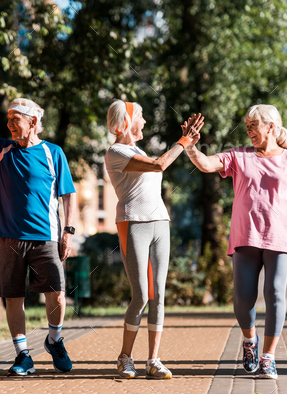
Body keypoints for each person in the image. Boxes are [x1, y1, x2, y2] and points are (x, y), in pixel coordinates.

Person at [183, 105, 287, 379]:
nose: (248, 131)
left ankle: (268, 358)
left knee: (274, 293)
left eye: (253, 126)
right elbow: (205, 164)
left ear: (271, 127)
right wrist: (190, 146)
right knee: (243, 298)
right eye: (247, 127)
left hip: (280, 236)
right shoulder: (239, 156)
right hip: (245, 236)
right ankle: (250, 342)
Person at [0, 97, 76, 376]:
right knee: (13, 296)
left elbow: (68, 194)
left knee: (58, 296)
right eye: (8, 119)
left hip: (46, 236)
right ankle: (23, 355)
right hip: (9, 238)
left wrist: (68, 231)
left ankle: (54, 340)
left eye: (16, 119)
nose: (10, 124)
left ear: (33, 122)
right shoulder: (1, 149)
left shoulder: (53, 153)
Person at [104, 99, 200, 379]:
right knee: (141, 295)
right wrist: (182, 142)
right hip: (133, 223)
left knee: (158, 294)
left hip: (161, 223)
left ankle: (154, 360)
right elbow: (159, 165)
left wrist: (187, 142)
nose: (144, 122)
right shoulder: (116, 152)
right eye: (141, 116)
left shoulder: (136, 149)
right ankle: (125, 357)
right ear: (128, 120)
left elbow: (161, 162)